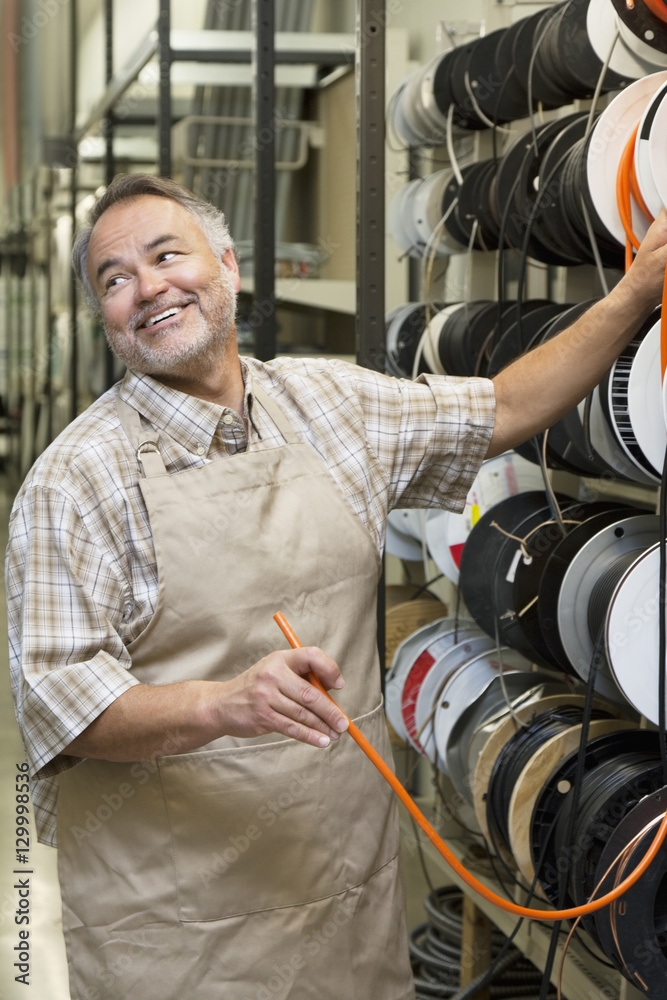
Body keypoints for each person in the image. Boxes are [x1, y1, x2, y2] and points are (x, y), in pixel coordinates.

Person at [6, 172, 667, 1000]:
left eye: (165, 255)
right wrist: (222, 705)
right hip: (180, 927)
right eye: (114, 279)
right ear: (104, 314)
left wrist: (635, 290)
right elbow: (59, 702)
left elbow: (503, 408)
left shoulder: (327, 403)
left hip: (343, 900)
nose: (147, 288)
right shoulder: (74, 482)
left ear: (227, 265)